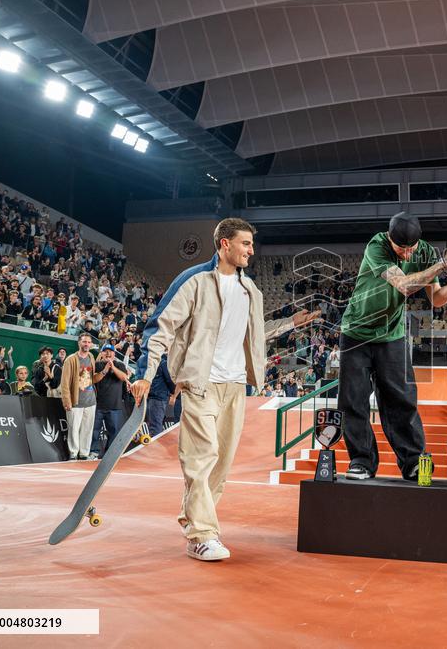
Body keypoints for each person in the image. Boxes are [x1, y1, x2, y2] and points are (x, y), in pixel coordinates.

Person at [130, 218, 318, 562]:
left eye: (251, 244)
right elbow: (160, 327)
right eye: (245, 243)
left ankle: (193, 517)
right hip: (199, 383)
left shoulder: (251, 291)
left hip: (235, 386)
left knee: (221, 464)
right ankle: (202, 535)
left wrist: (291, 323)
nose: (251, 250)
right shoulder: (194, 280)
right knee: (200, 456)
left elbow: (256, 333)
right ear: (224, 244)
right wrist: (145, 373)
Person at [338, 212, 447, 481]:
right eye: (402, 249)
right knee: (353, 401)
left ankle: (413, 462)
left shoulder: (424, 252)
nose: (409, 254)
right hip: (356, 334)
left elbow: (437, 299)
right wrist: (443, 265)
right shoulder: (377, 246)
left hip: (392, 335)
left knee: (402, 399)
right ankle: (361, 461)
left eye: (412, 248)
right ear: (390, 239)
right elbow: (403, 284)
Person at [60, 334, 97, 460]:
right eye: (84, 342)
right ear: (79, 343)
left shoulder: (91, 357)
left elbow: (92, 378)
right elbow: (64, 383)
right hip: (75, 401)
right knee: (73, 429)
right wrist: (66, 400)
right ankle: (73, 453)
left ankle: (84, 454)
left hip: (91, 400)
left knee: (87, 429)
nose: (87, 344)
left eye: (89, 342)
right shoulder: (70, 359)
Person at [89, 344, 129, 459]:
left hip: (115, 405)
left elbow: (124, 378)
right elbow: (93, 379)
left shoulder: (120, 365)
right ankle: (93, 452)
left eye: (110, 351)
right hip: (97, 404)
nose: (108, 353)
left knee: (114, 432)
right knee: (94, 431)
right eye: (105, 351)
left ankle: (109, 454)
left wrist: (113, 367)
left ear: (114, 354)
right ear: (101, 354)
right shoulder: (97, 365)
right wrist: (105, 370)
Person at [145, 358, 181, 438]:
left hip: (155, 397)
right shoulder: (163, 363)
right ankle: (156, 445)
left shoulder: (147, 360)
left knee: (156, 425)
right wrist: (174, 394)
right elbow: (170, 380)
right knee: (157, 427)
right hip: (159, 397)